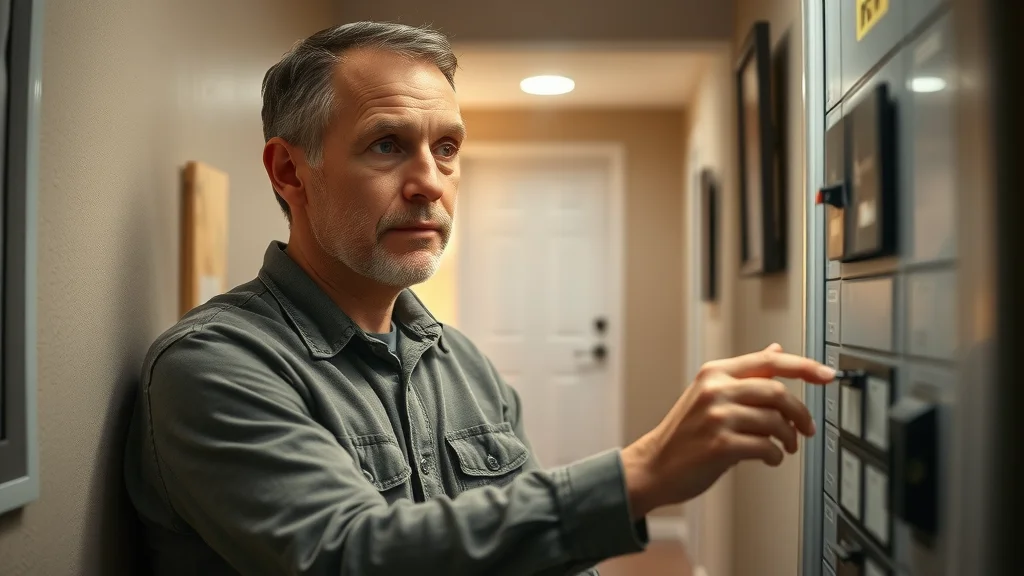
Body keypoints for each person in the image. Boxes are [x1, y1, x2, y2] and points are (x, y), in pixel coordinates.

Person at [123, 20, 836, 576]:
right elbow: (351, 557)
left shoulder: (461, 365)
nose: (429, 181)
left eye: (448, 148)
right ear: (289, 171)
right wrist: (640, 474)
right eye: (386, 145)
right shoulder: (213, 367)